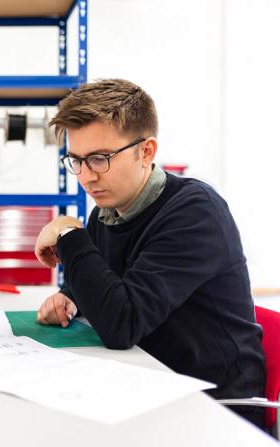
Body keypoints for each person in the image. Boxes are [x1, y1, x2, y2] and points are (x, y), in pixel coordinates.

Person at [34, 79, 266, 428]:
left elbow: (121, 324)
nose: (85, 176)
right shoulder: (108, 211)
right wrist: (71, 298)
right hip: (145, 386)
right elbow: (116, 282)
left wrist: (68, 231)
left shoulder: (194, 213)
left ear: (146, 151)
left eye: (99, 159)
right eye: (76, 160)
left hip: (214, 411)